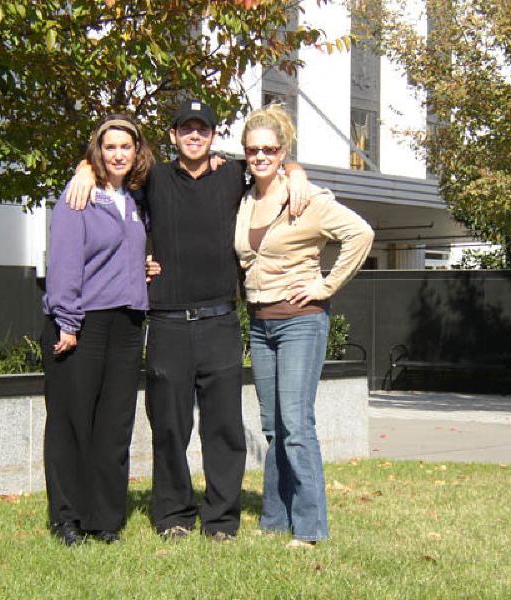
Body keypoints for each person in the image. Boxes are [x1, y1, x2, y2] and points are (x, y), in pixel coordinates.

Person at [65, 99, 311, 541]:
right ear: (173, 135)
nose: (194, 136)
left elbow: (273, 163)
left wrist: (297, 173)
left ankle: (220, 521)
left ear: (213, 136)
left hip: (220, 322)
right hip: (168, 324)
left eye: (203, 129)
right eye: (186, 129)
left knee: (224, 429)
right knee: (169, 428)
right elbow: (113, 174)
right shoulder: (153, 179)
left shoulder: (232, 175)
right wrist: (85, 168)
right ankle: (174, 516)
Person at [235, 104, 374, 548]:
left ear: (282, 152)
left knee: (296, 425)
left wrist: (325, 285)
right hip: (261, 323)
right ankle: (275, 520)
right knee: (273, 426)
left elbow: (361, 235)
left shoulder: (307, 198)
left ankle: (310, 527)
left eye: (269, 150)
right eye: (253, 150)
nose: (260, 156)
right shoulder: (244, 198)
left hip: (301, 321)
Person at [41, 114, 157, 546]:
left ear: (137, 151)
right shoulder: (79, 196)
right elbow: (64, 262)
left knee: (114, 424)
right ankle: (67, 518)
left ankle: (105, 518)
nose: (118, 154)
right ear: (98, 151)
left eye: (126, 146)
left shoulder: (136, 202)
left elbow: (123, 256)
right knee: (72, 422)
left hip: (127, 323)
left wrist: (145, 267)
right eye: (110, 147)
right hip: (82, 322)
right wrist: (67, 322)